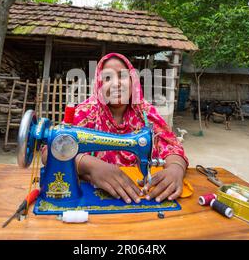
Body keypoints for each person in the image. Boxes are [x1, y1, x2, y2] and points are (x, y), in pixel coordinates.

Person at [71, 52, 189, 204]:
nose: (116, 84)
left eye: (122, 76)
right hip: (91, 198)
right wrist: (90, 165)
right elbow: (52, 151)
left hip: (139, 193)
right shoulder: (85, 112)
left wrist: (175, 168)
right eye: (107, 78)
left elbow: (171, 147)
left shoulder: (145, 113)